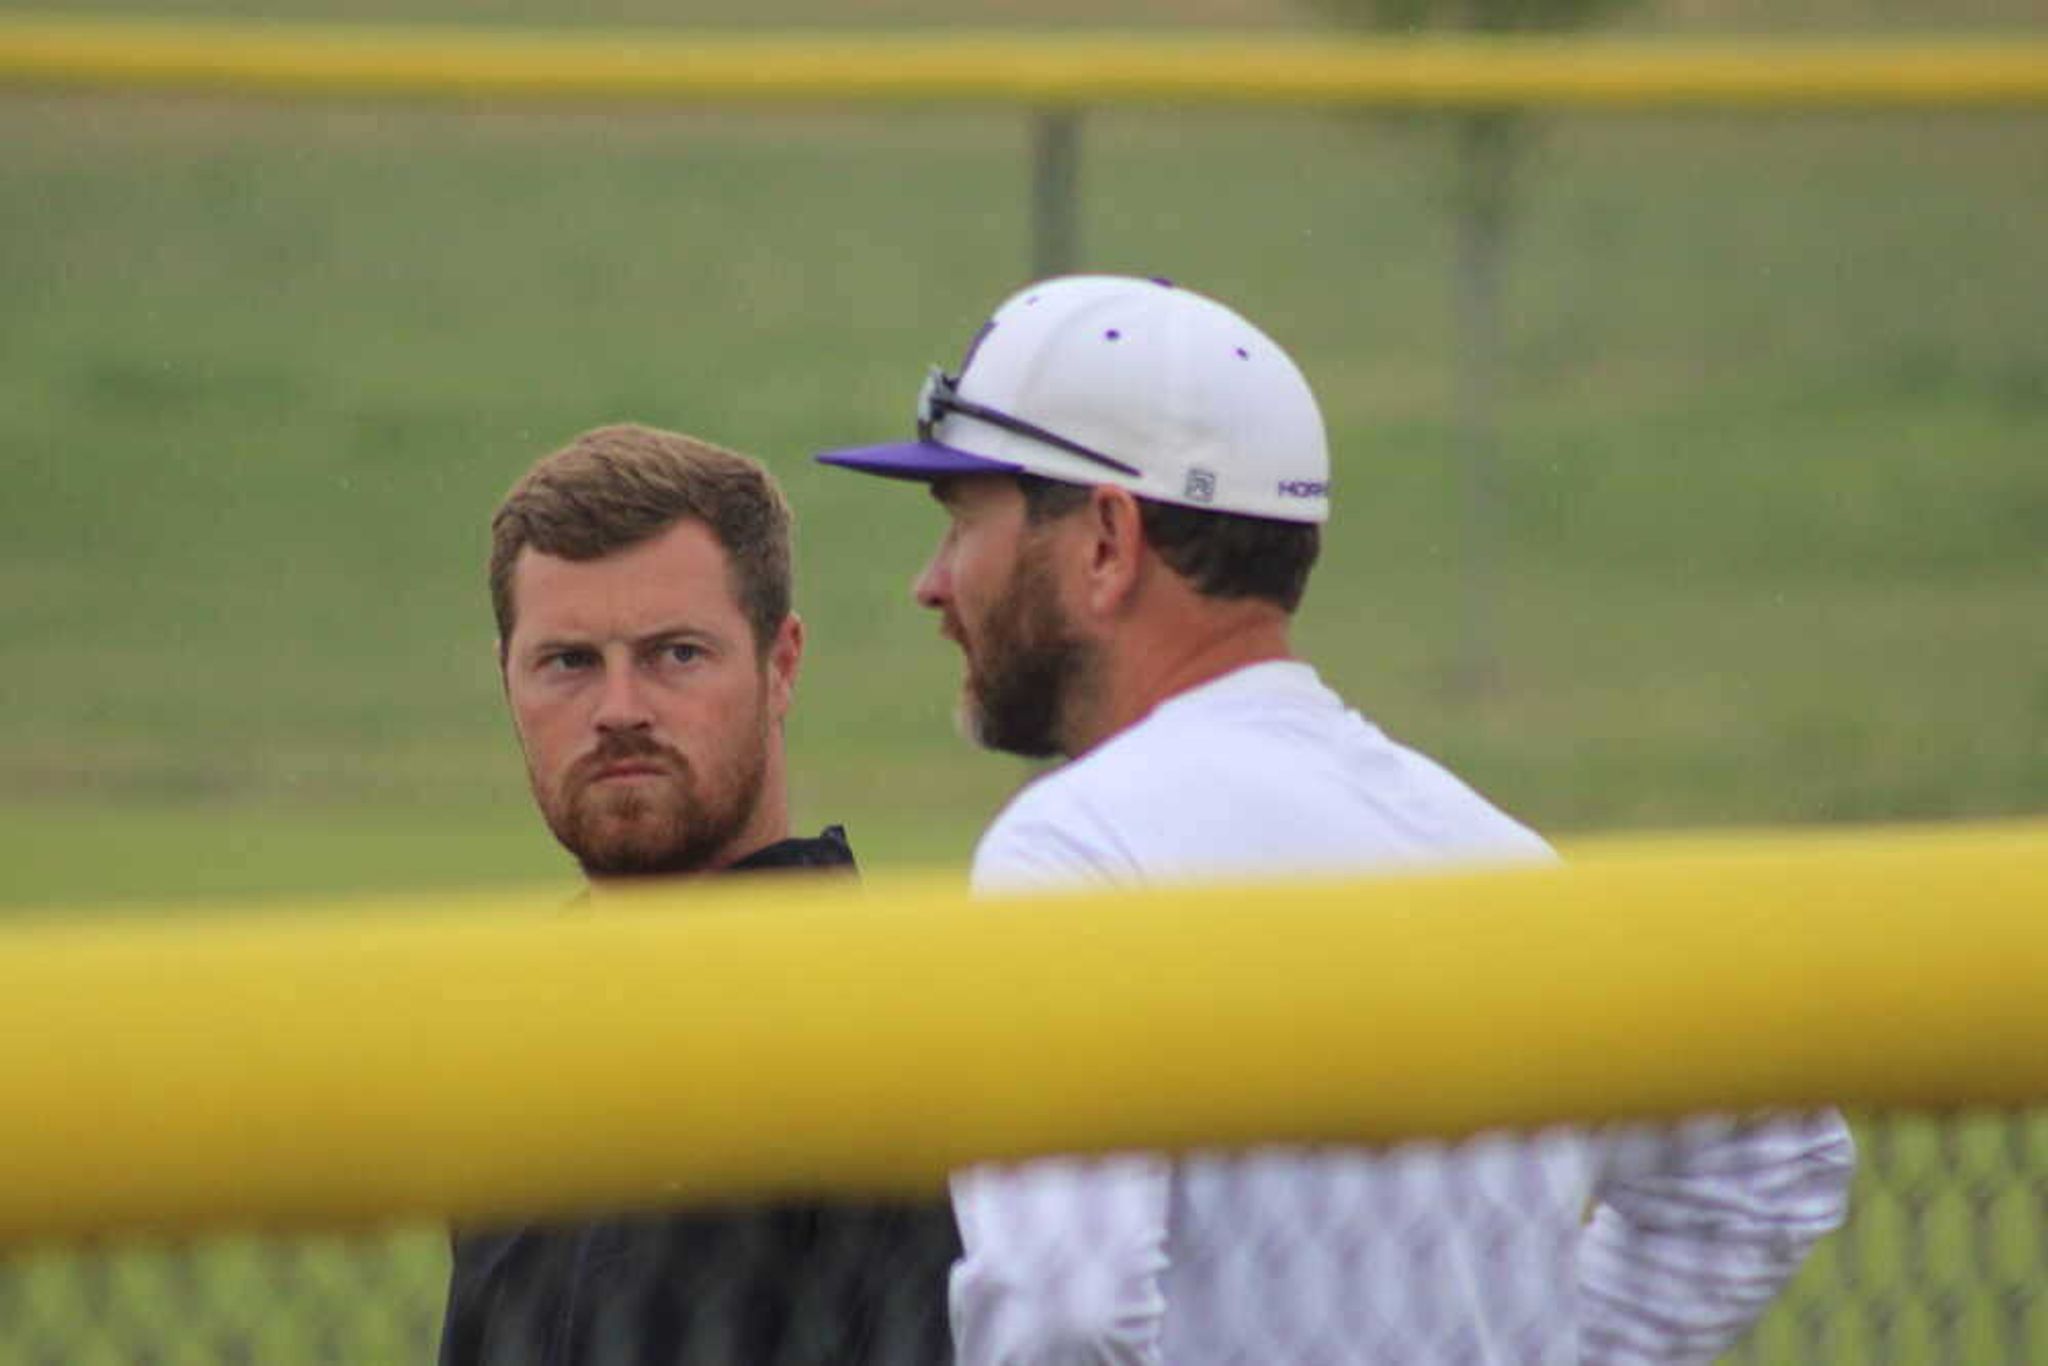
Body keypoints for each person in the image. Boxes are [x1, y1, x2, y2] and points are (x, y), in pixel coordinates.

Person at [817, 276, 1856, 1364]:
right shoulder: (1488, 852)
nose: (929, 584)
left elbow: (1064, 1307)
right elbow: (1771, 1164)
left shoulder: (1079, 849)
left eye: (961, 523)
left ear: (1105, 542)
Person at [440, 423, 958, 1365]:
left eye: (676, 654)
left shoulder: (887, 1033)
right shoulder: (504, 1040)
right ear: (504, 680)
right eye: (568, 662)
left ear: (783, 663)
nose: (619, 709)